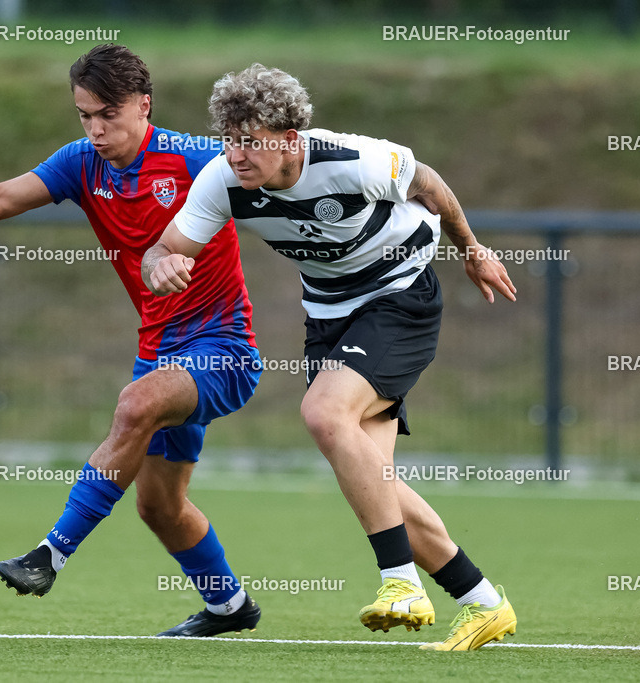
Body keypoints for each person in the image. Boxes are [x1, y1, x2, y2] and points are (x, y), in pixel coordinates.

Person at [143, 64, 518, 651]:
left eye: (250, 141)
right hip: (328, 314)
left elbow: (430, 184)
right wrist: (160, 264)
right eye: (229, 139)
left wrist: (473, 249)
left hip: (401, 294)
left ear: (290, 139)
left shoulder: (355, 160)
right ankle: (483, 602)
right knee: (376, 479)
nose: (236, 154)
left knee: (323, 414)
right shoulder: (222, 180)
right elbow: (164, 249)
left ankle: (400, 583)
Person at [0, 44, 263, 637]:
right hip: (160, 351)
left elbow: (277, 188)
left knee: (135, 404)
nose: (95, 129)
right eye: (85, 115)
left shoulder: (196, 159)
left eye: (108, 115)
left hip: (225, 348)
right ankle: (229, 607)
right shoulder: (80, 164)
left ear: (144, 106)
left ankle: (50, 555)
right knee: (158, 508)